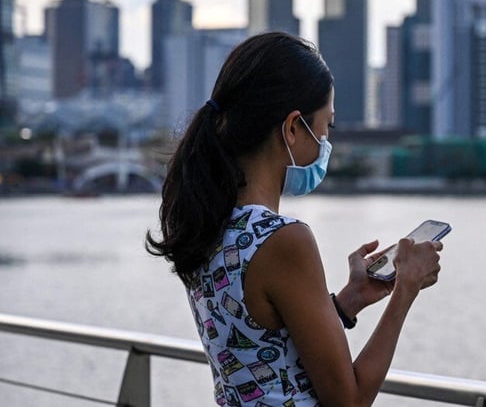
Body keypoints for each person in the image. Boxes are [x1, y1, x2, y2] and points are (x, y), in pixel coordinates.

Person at [146, 32, 442, 406]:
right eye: (326, 126)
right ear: (291, 128)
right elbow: (347, 402)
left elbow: (264, 342)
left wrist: (349, 300)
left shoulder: (210, 224)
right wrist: (405, 290)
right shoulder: (283, 240)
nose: (325, 140)